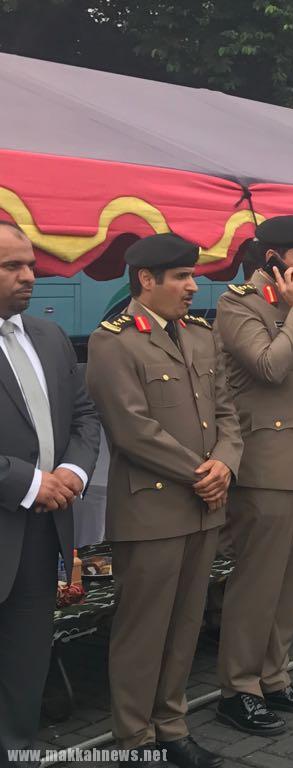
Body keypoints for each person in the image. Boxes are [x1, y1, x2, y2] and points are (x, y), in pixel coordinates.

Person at [87, 233, 242, 768]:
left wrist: (226, 463)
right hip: (152, 509)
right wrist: (203, 473)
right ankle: (135, 739)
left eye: (191, 275)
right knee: (143, 629)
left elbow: (227, 412)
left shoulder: (200, 335)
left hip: (203, 505)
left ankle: (172, 727)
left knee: (185, 624)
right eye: (181, 277)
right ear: (146, 280)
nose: (192, 286)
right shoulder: (114, 341)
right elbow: (132, 430)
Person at [212, 215, 293, 734]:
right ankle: (238, 688)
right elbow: (269, 366)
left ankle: (274, 675)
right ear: (272, 260)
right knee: (257, 583)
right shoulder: (239, 305)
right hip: (266, 465)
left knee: (291, 582)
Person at [0, 222, 100, 762]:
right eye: (11, 266)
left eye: (31, 265)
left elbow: (84, 415)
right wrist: (30, 482)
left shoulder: (49, 336)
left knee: (25, 663)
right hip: (15, 511)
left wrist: (74, 473)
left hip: (40, 537)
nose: (29, 277)